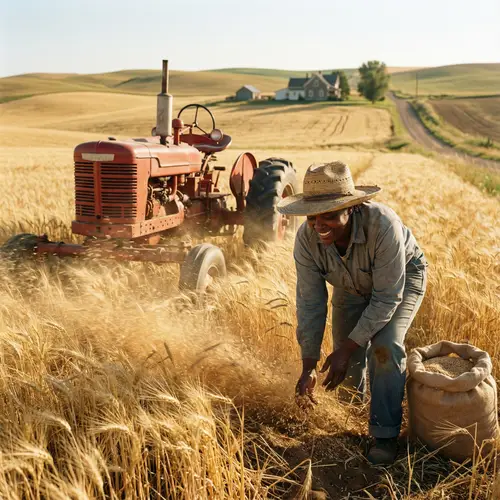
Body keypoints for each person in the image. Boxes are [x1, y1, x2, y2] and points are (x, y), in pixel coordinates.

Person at [277, 161, 427, 465]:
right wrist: (308, 366)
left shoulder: (384, 225)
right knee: (346, 364)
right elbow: (310, 301)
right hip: (349, 285)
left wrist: (347, 348)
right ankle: (352, 419)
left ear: (352, 209)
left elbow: (387, 297)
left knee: (384, 348)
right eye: (312, 217)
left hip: (400, 281)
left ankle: (384, 436)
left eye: (330, 215)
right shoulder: (307, 240)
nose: (319, 225)